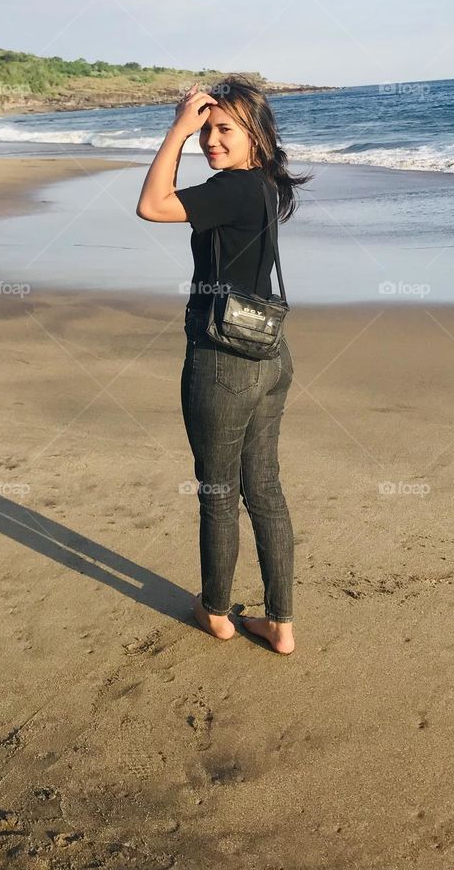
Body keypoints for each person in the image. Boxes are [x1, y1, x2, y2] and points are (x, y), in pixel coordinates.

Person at [136, 75, 311, 656]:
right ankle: (280, 623)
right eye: (206, 129)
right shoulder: (263, 185)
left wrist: (176, 131)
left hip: (222, 362)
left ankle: (215, 612)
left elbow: (152, 205)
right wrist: (193, 129)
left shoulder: (231, 188)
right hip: (271, 354)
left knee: (218, 490)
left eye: (222, 129)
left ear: (256, 134)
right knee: (264, 487)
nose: (210, 139)